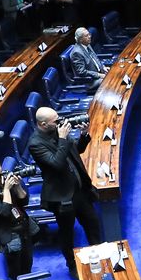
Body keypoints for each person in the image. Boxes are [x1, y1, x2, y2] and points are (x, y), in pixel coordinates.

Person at [28, 106, 102, 254]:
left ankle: (100, 255)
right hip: (62, 196)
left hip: (79, 190)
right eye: (55, 121)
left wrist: (83, 135)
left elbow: (75, 150)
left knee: (93, 224)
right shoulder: (35, 143)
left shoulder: (57, 130)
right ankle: (72, 264)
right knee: (67, 234)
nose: (60, 122)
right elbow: (57, 164)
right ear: (43, 124)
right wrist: (62, 138)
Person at [0, 158, 41, 280]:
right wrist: (6, 190)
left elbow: (24, 202)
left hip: (24, 227)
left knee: (27, 260)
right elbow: (4, 212)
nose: (2, 176)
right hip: (9, 233)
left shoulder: (4, 185)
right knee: (14, 266)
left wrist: (17, 187)